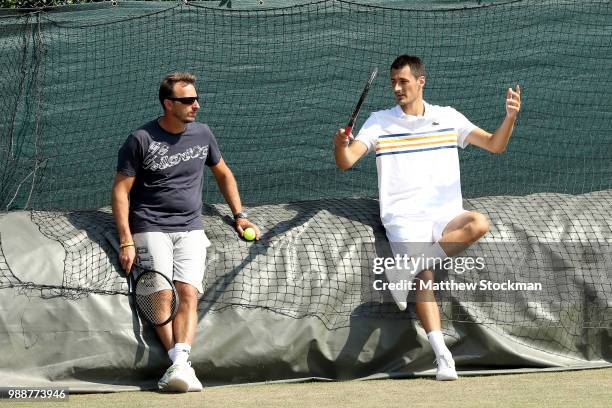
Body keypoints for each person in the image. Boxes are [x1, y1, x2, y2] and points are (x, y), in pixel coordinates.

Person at [333, 55, 521, 380]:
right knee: (425, 280)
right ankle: (443, 356)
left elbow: (495, 144)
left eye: (403, 81)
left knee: (479, 223)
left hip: (445, 214)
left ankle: (404, 269)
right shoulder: (379, 121)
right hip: (403, 217)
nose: (396, 88)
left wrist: (510, 117)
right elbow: (347, 161)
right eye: (393, 82)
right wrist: (339, 145)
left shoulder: (447, 117)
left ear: (421, 81)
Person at [112, 72, 260, 392]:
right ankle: (180, 364)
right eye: (187, 100)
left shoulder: (203, 134)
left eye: (196, 99)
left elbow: (223, 174)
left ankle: (179, 365)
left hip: (191, 227)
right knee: (162, 295)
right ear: (169, 104)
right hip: (150, 225)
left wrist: (240, 216)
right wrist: (126, 240)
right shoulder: (141, 139)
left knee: (189, 293)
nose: (196, 105)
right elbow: (121, 192)